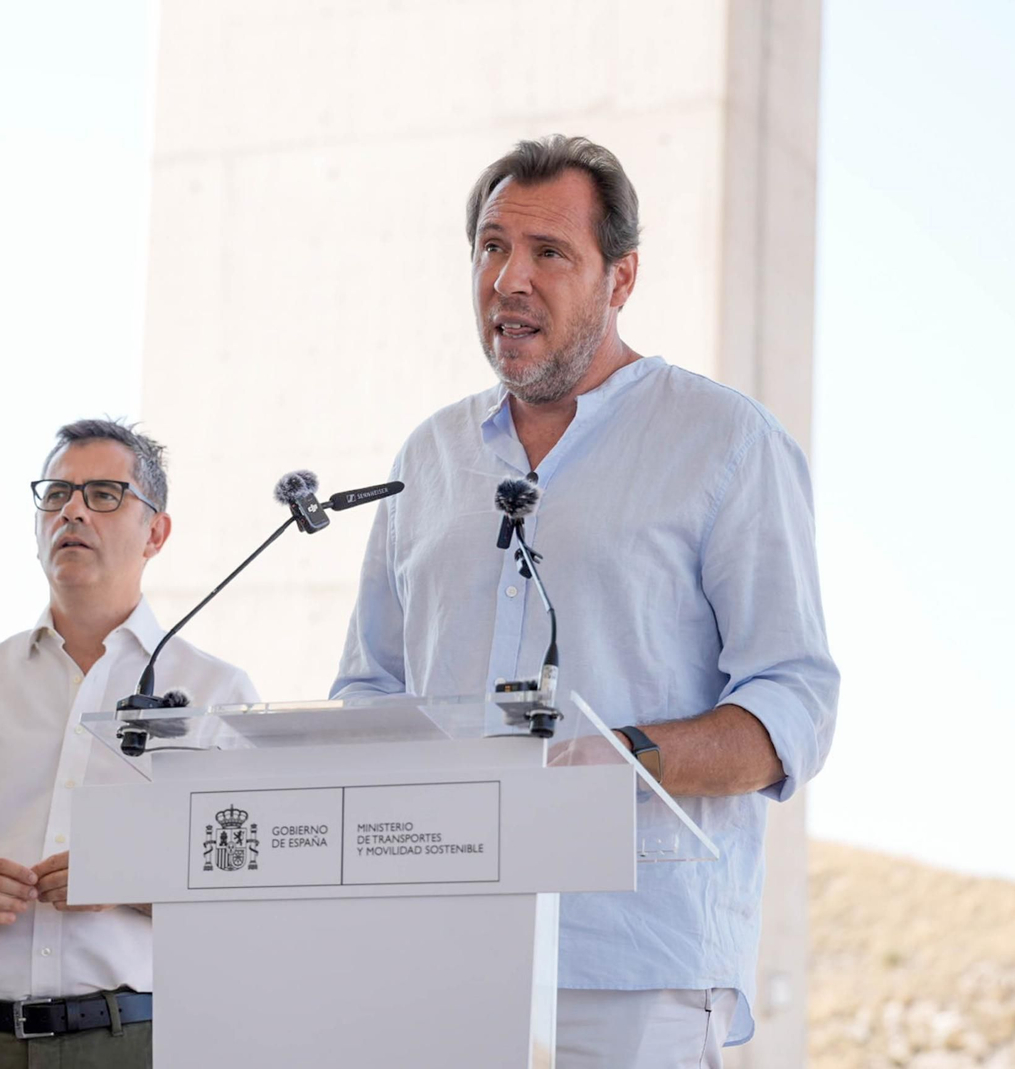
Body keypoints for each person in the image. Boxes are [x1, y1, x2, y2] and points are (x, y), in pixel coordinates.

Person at [331, 135, 838, 1068]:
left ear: (622, 276)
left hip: (636, 962)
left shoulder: (725, 441)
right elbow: (368, 692)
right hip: (440, 956)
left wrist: (625, 757)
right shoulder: (427, 459)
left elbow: (792, 706)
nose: (509, 278)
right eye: (491, 247)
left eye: (549, 253)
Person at [0, 419, 258, 1068]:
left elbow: (251, 896)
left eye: (103, 494)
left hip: (137, 1045)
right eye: (56, 494)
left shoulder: (216, 691)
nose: (72, 508)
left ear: (156, 531)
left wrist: (127, 875)